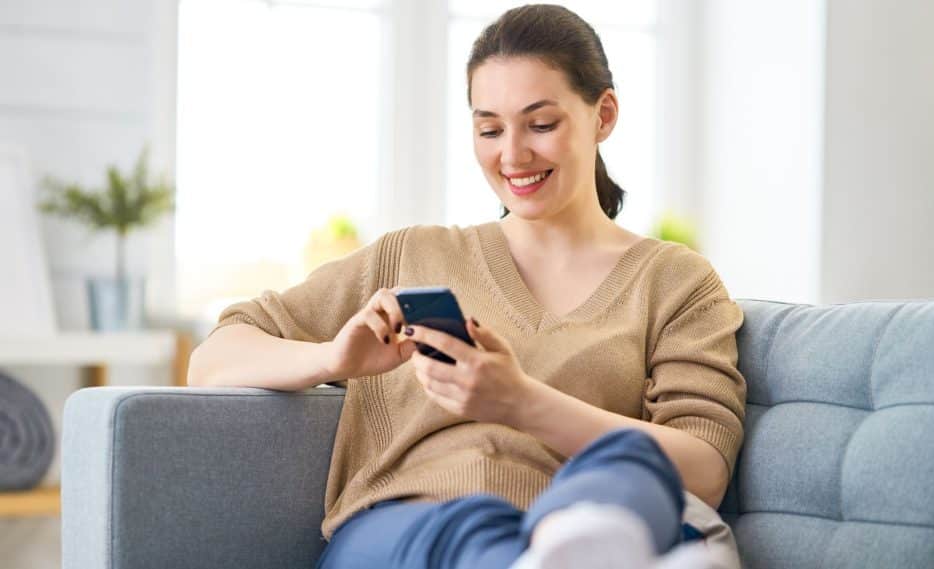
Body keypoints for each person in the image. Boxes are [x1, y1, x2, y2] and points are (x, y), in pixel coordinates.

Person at [187, 4, 746, 568]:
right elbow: (212, 360)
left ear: (603, 115)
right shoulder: (411, 255)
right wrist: (335, 357)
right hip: (406, 529)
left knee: (631, 462)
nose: (512, 154)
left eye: (541, 124)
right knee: (473, 527)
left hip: (564, 519)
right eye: (489, 129)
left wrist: (520, 401)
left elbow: (706, 469)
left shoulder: (676, 281)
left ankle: (563, 552)